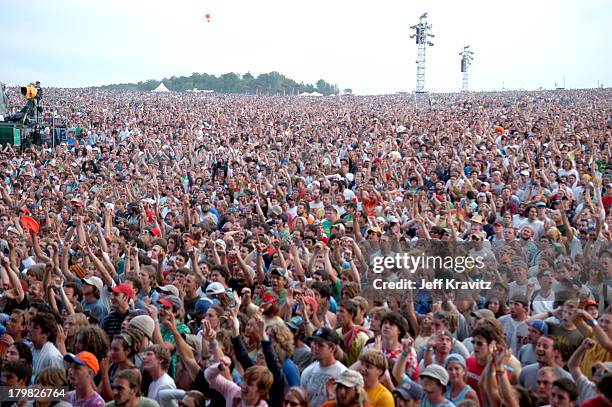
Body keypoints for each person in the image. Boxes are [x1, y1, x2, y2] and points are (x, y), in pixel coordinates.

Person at [301, 328, 347, 407]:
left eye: (320, 345)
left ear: (332, 348)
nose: (315, 347)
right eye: (314, 343)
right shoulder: (308, 371)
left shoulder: (343, 373)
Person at [205, 362, 273, 407]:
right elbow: (209, 377)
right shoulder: (233, 391)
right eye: (244, 381)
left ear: (261, 391)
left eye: (249, 384)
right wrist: (219, 366)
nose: (242, 385)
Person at [28, 312, 63, 381]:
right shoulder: (29, 348)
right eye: (30, 326)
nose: (29, 329)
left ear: (46, 334)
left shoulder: (53, 356)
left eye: (35, 328)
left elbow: (57, 385)